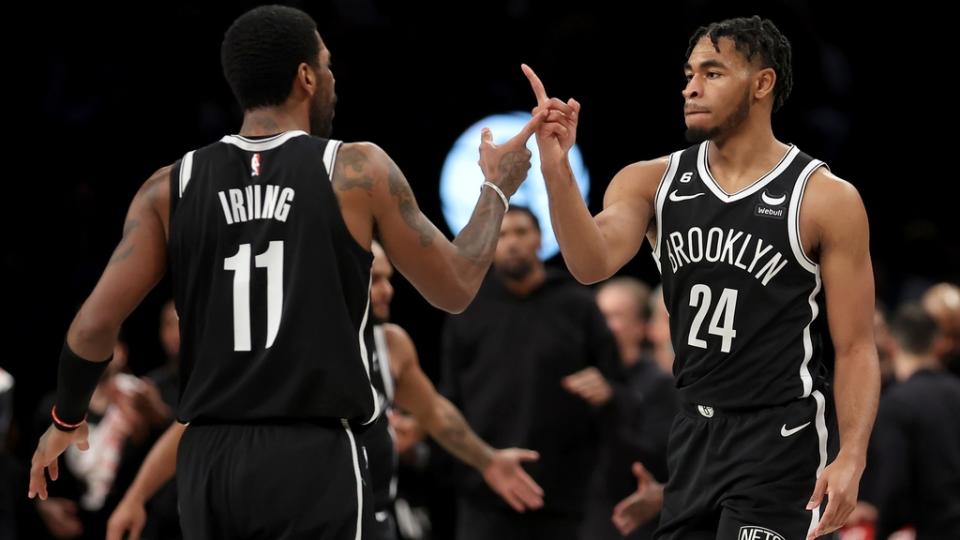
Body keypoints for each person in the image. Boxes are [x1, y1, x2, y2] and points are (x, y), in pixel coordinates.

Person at [28, 5, 542, 540]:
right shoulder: (355, 169)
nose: (333, 79)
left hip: (209, 459)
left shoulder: (169, 186)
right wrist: (497, 190)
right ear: (306, 76)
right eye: (328, 66)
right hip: (313, 455)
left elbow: (91, 327)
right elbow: (455, 287)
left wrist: (66, 419)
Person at [523, 15, 879, 539]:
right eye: (689, 73)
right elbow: (589, 261)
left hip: (783, 434)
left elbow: (855, 346)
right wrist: (556, 170)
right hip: (692, 430)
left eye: (712, 73)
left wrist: (852, 456)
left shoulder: (825, 197)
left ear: (762, 84)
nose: (691, 86)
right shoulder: (652, 180)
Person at [105, 242, 544, 540]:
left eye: (390, 279)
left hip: (375, 521)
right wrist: (135, 497)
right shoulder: (283, 344)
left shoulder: (392, 345)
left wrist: (488, 461)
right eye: (376, 280)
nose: (388, 290)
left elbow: (435, 413)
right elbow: (196, 426)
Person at [441, 206, 623, 540]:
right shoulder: (466, 310)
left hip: (565, 494)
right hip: (485, 494)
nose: (512, 243)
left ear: (540, 239)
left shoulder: (577, 304)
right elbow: (450, 399)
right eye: (503, 235)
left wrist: (607, 391)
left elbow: (620, 386)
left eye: (522, 232)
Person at [584, 277, 677, 540]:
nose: (603, 325)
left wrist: (611, 406)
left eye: (614, 316)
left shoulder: (659, 384)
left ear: (641, 327)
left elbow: (656, 459)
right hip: (583, 514)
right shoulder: (586, 376)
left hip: (635, 520)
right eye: (599, 315)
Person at [859, 304, 960, 538]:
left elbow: (894, 482)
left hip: (926, 530)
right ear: (938, 343)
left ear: (892, 344)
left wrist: (885, 529)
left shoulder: (895, 404)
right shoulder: (957, 391)